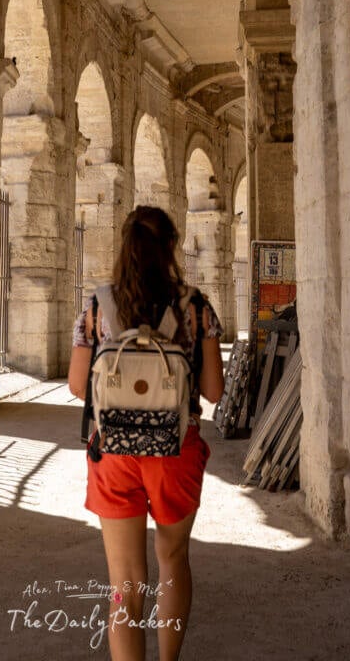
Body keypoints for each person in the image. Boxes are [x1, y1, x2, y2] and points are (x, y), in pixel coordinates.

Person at [68, 205, 225, 661]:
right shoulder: (196, 307)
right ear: (171, 248)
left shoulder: (98, 307)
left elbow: (80, 386)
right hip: (176, 450)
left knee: (124, 582)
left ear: (125, 250)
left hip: (113, 452)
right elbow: (213, 391)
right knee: (173, 562)